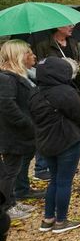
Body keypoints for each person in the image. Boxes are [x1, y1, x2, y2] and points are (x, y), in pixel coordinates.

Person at [29, 57, 80, 234]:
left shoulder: (34, 93)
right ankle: (61, 221)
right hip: (67, 141)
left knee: (54, 180)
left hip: (45, 143)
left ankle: (48, 219)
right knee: (64, 182)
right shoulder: (65, 92)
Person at [0, 40, 38, 222]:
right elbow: (8, 105)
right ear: (17, 55)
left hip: (18, 132)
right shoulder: (6, 78)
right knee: (10, 171)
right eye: (27, 52)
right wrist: (27, 124)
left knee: (13, 169)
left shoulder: (17, 75)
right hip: (12, 133)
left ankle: (12, 201)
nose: (32, 55)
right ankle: (6, 207)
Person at [34, 25, 80, 100]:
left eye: (72, 25)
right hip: (56, 84)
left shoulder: (72, 41)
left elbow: (76, 59)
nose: (72, 27)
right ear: (59, 27)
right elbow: (39, 66)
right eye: (69, 25)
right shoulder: (43, 45)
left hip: (75, 82)